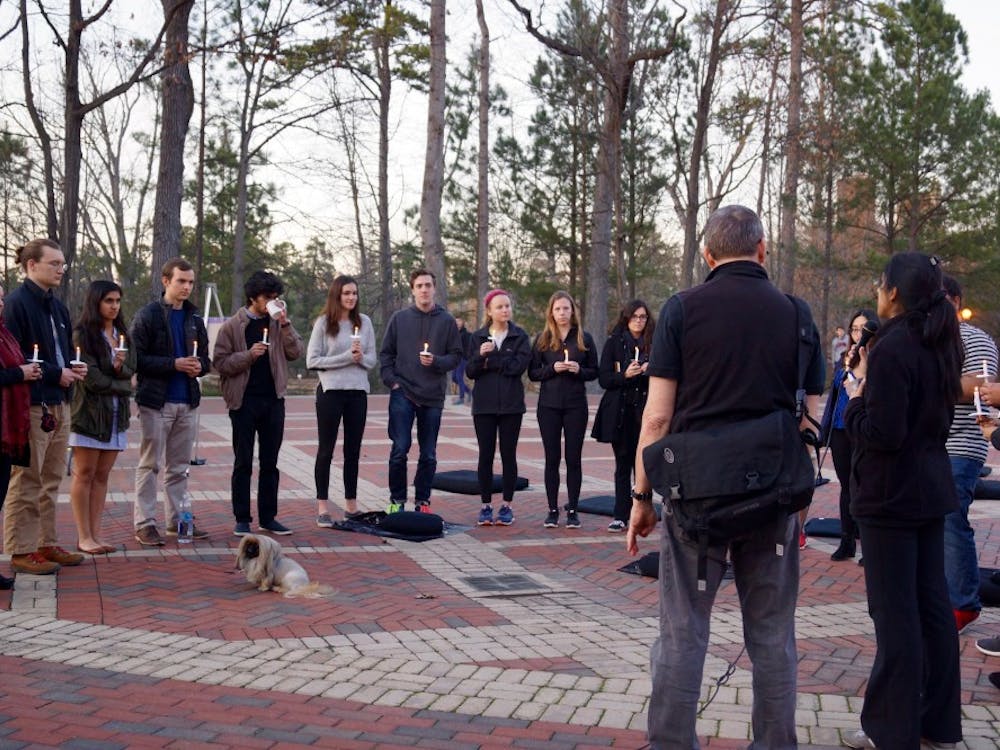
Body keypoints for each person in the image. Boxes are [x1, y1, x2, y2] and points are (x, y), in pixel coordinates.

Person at [627, 205, 824, 749]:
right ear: (762, 250)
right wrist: (800, 499)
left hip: (696, 497)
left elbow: (658, 417)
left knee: (682, 633)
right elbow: (811, 418)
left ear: (708, 255)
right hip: (773, 497)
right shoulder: (796, 313)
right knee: (772, 636)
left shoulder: (681, 310)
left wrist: (642, 496)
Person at [841, 252, 963, 749]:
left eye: (879, 284)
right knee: (932, 606)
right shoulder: (940, 342)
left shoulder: (894, 349)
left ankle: (892, 730)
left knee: (896, 615)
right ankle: (938, 724)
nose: (876, 292)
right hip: (929, 488)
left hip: (891, 496)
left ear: (892, 292)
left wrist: (853, 403)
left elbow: (884, 432)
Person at [2, 239, 87, 575]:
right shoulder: (16, 303)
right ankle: (21, 549)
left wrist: (73, 367)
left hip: (59, 402)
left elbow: (60, 351)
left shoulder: (58, 306)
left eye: (62, 264)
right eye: (54, 263)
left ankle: (45, 541)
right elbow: (14, 356)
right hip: (33, 403)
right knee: (27, 478)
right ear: (31, 265)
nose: (61, 269)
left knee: (51, 478)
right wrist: (56, 372)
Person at [213, 271, 304, 537]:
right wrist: (248, 355)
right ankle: (242, 518)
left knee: (270, 462)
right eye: (267, 298)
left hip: (273, 401)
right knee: (243, 462)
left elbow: (295, 352)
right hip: (243, 402)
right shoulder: (233, 326)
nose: (272, 302)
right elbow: (220, 363)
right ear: (254, 297)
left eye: (276, 298)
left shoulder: (278, 323)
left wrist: (285, 325)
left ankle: (268, 517)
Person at [131, 257, 210, 546]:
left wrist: (200, 366)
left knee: (178, 467)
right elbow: (136, 359)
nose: (187, 287)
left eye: (190, 282)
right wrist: (173, 364)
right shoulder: (148, 315)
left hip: (187, 401)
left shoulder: (194, 317)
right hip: (156, 401)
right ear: (166, 281)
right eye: (181, 281)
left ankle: (177, 521)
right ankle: (145, 523)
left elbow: (207, 360)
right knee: (150, 465)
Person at [941, 275, 998, 633]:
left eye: (941, 297)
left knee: (950, 519)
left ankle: (963, 603)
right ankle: (940, 594)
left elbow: (980, 386)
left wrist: (918, 381)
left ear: (956, 300)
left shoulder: (973, 338)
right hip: (925, 446)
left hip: (961, 445)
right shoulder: (925, 338)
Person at [379, 268, 462, 513]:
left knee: (428, 453)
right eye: (419, 286)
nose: (424, 289)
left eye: (428, 285)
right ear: (413, 290)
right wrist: (391, 381)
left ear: (434, 288)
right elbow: (386, 354)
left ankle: (422, 501)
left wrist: (436, 361)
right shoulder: (399, 319)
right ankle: (397, 501)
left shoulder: (446, 321)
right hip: (403, 391)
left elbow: (456, 356)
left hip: (433, 396)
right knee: (400, 448)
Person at [68, 281, 136, 554]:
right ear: (96, 302)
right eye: (109, 300)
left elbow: (132, 368)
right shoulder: (83, 334)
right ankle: (83, 536)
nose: (114, 306)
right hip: (90, 413)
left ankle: (96, 534)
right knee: (84, 473)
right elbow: (92, 379)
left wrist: (120, 369)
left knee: (102, 476)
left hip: (116, 416)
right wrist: (122, 379)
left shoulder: (123, 334)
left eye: (117, 300)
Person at [306, 275, 376, 527]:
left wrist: (360, 359)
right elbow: (312, 361)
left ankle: (351, 505)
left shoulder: (364, 322)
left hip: (357, 392)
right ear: (337, 295)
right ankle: (323, 506)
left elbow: (371, 361)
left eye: (354, 293)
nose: (351, 297)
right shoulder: (324, 323)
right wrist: (347, 357)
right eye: (346, 293)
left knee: (353, 451)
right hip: (330, 393)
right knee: (326, 450)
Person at [528, 291, 598, 529]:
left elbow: (595, 371)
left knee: (573, 459)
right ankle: (552, 510)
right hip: (548, 406)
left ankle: (573, 510)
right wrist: (552, 369)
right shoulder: (543, 339)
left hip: (576, 406)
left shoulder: (584, 338)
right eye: (557, 309)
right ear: (551, 312)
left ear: (572, 311)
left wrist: (579, 370)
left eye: (566, 309)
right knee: (552, 459)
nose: (562, 313)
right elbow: (533, 373)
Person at [465, 289, 531, 527]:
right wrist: (480, 358)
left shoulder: (520, 336)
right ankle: (485, 506)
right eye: (500, 307)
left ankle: (506, 505)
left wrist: (489, 362)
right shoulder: (477, 337)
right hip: (483, 406)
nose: (505, 310)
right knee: (485, 456)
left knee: (508, 455)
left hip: (512, 406)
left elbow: (517, 367)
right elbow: (470, 372)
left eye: (507, 306)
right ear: (489, 311)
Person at [818, 309, 878, 561]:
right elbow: (834, 394)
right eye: (855, 329)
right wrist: (824, 430)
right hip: (841, 428)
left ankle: (869, 543)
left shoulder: (880, 358)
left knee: (864, 486)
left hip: (864, 427)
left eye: (863, 329)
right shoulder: (846, 357)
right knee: (846, 486)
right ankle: (846, 540)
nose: (858, 334)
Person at [592, 300, 653, 533]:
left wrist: (649, 369)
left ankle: (642, 508)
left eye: (643, 317)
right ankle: (620, 513)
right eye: (635, 316)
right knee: (623, 463)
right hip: (621, 411)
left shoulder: (653, 343)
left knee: (644, 465)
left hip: (645, 411)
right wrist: (625, 375)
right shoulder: (614, 343)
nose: (639, 321)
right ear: (626, 318)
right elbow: (604, 378)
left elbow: (666, 371)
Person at [0, 283, 43, 587]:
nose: (1, 303)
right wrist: (20, 374)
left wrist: (28, 369)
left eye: (0, 298)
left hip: (6, 429)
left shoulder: (4, 333)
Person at [451, 317, 473, 405]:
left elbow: (470, 346)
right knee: (454, 378)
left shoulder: (466, 334)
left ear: (463, 322)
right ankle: (469, 391)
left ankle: (461, 397)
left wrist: (468, 356)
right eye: (456, 321)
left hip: (463, 358)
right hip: (455, 358)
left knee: (459, 376)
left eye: (459, 321)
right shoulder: (454, 333)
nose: (457, 323)